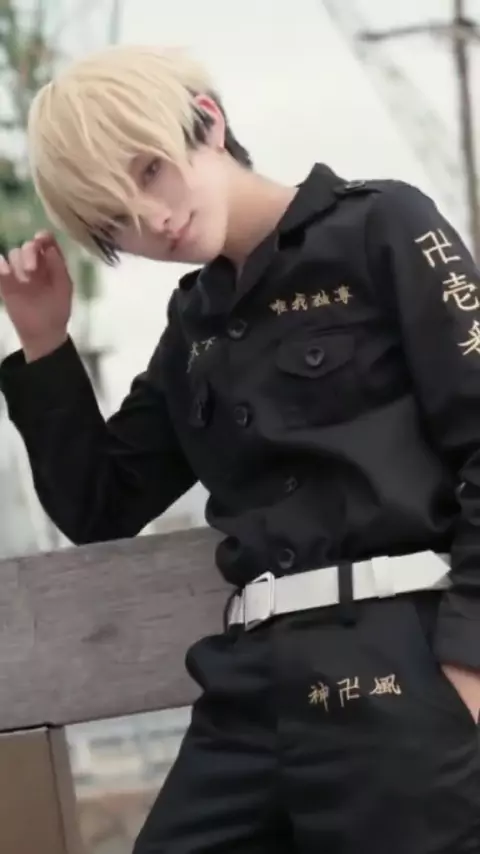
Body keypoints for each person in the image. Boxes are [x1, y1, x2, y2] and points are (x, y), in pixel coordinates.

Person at [0, 43, 480, 853]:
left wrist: (468, 666)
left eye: (150, 172)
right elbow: (99, 505)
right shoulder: (193, 325)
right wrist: (45, 343)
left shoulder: (383, 226)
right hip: (246, 692)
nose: (151, 221)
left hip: (400, 667)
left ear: (208, 122)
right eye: (115, 223)